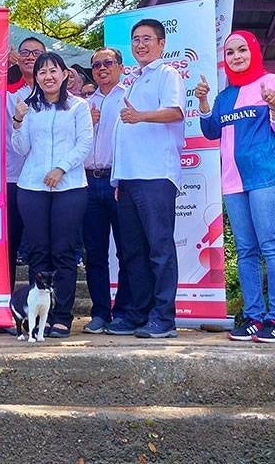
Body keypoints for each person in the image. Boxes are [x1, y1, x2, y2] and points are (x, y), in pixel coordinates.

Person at [195, 31, 275, 343]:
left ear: (253, 50)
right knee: (246, 250)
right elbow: (211, 131)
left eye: (242, 50)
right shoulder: (225, 96)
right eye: (230, 53)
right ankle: (254, 317)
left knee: (271, 245)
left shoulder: (272, 82)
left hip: (268, 177)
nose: (236, 57)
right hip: (233, 182)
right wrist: (202, 102)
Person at [107, 18, 185, 339]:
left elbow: (176, 111)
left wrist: (140, 116)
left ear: (161, 44)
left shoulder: (168, 74)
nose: (140, 44)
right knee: (133, 252)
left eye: (147, 39)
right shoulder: (134, 81)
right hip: (128, 180)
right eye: (135, 39)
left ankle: (164, 317)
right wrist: (117, 180)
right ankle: (137, 314)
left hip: (156, 176)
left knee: (160, 249)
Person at [12, 52, 92, 338]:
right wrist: (18, 121)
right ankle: (38, 317)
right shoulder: (29, 108)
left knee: (63, 252)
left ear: (64, 75)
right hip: (32, 187)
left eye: (53, 71)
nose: (48, 76)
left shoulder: (78, 107)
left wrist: (61, 168)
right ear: (37, 77)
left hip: (69, 188)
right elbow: (21, 149)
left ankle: (62, 317)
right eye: (42, 72)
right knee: (38, 253)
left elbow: (85, 143)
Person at [80, 47, 130, 334]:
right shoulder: (83, 104)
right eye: (96, 65)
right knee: (95, 253)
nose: (101, 68)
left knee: (126, 250)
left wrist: (122, 179)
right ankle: (100, 312)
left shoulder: (129, 97)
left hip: (118, 180)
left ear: (120, 67)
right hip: (88, 181)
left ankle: (123, 311)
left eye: (107, 63)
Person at [5, 37, 44, 284]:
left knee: (41, 247)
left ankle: (39, 306)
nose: (30, 57)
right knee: (8, 244)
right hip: (10, 177)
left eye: (36, 53)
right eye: (25, 52)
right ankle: (4, 309)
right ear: (17, 57)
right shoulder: (5, 90)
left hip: (44, 180)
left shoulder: (53, 92)